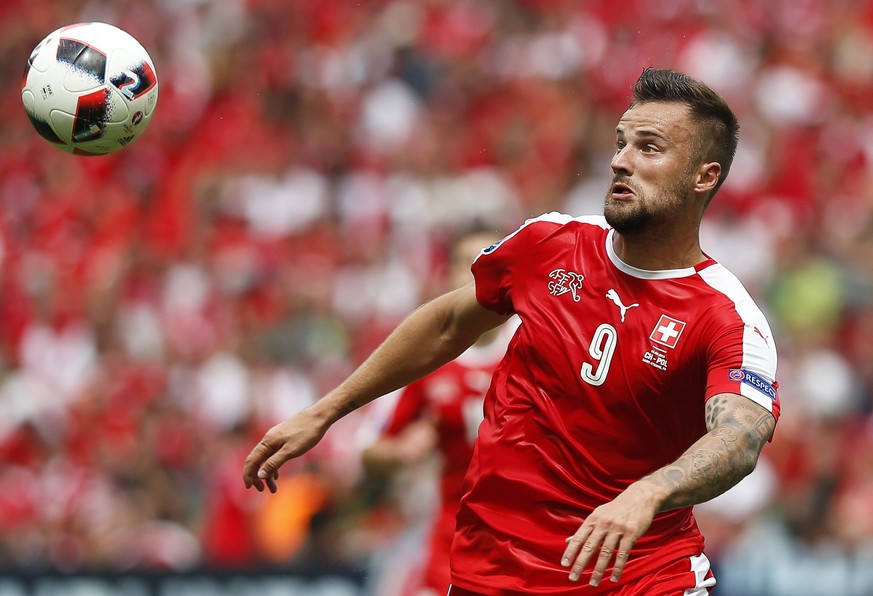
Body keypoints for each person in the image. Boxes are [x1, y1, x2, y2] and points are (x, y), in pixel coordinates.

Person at [243, 68, 781, 595]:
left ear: (704, 176)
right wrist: (325, 411)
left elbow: (739, 438)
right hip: (495, 572)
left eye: (648, 148)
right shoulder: (549, 244)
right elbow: (448, 322)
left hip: (640, 577)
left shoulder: (726, 316)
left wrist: (648, 493)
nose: (620, 161)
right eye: (620, 143)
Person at [361, 227, 519, 596]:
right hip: (455, 535)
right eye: (468, 262)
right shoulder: (426, 358)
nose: (481, 269)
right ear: (448, 273)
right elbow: (370, 450)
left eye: (492, 259)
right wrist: (400, 452)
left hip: (539, 530)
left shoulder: (539, 341)